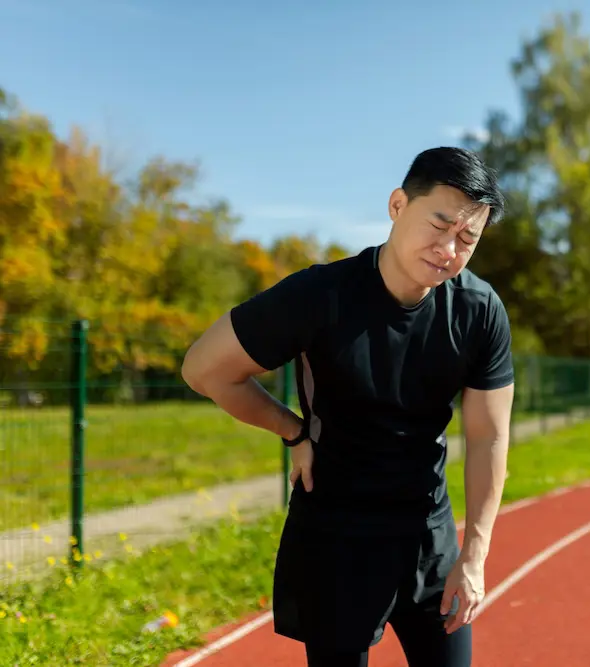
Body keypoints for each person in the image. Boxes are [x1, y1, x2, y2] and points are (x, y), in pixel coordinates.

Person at [180, 146, 515, 667]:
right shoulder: (320, 295)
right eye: (439, 224)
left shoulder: (477, 310)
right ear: (398, 205)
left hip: (427, 532)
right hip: (337, 533)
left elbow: (489, 435)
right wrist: (292, 430)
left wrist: (475, 552)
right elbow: (205, 368)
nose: (448, 249)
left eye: (466, 239)